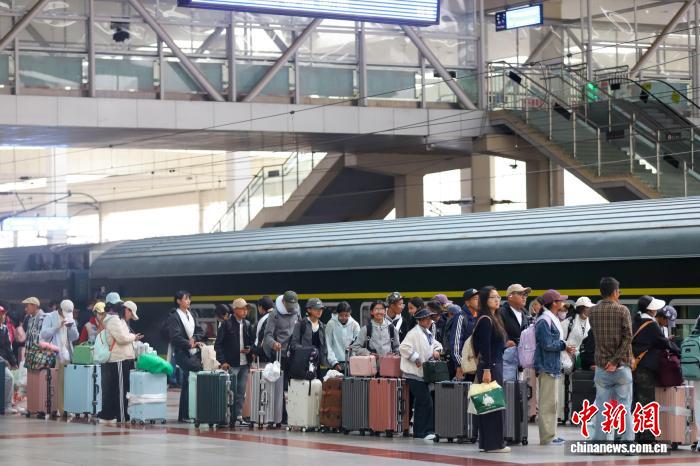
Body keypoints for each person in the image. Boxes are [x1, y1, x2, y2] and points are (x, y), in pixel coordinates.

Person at [588, 277, 634, 443]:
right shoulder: (623, 310)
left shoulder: (592, 311)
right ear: (615, 292)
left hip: (601, 367)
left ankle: (599, 441)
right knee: (624, 405)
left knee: (601, 406)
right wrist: (614, 361)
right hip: (621, 367)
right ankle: (627, 442)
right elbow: (628, 337)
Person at [631, 296, 678, 443]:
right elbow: (663, 342)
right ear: (650, 310)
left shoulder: (636, 322)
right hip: (646, 369)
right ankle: (647, 437)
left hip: (635, 367)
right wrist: (678, 351)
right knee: (647, 403)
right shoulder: (650, 324)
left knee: (637, 402)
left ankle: (637, 434)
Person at [471, 286, 510, 453]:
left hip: (492, 365)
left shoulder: (495, 318)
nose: (497, 300)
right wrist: (487, 370)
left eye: (498, 297)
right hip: (491, 367)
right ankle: (494, 444)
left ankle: (486, 443)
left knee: (488, 406)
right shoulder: (486, 320)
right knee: (493, 406)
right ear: (485, 300)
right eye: (493, 297)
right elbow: (485, 347)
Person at [535, 289, 574, 446]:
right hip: (547, 366)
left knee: (552, 403)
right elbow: (547, 344)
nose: (563, 303)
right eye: (560, 300)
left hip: (552, 366)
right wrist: (563, 345)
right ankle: (547, 437)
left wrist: (563, 346)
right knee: (547, 404)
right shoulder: (544, 320)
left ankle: (551, 434)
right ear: (554, 303)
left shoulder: (550, 318)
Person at [399, 307, 442, 441]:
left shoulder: (426, 333)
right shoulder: (413, 333)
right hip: (413, 373)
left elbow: (436, 344)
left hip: (421, 374)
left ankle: (420, 432)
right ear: (420, 320)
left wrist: (437, 350)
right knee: (426, 402)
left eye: (430, 318)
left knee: (421, 403)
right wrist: (415, 358)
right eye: (426, 319)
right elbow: (403, 347)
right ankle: (425, 431)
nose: (429, 321)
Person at [100, 300, 142, 424]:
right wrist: (133, 337)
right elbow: (122, 339)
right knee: (121, 389)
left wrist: (132, 338)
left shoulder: (121, 320)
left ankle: (114, 414)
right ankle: (122, 416)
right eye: (131, 314)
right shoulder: (114, 320)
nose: (131, 317)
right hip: (118, 358)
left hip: (123, 358)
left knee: (119, 388)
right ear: (126, 310)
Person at [215, 298, 255, 428]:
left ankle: (238, 417)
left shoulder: (248, 324)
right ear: (235, 309)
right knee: (229, 392)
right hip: (231, 364)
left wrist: (250, 350)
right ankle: (226, 417)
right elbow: (218, 345)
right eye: (242, 309)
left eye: (246, 309)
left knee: (241, 393)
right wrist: (223, 361)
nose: (245, 311)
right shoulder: (226, 324)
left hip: (244, 364)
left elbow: (252, 342)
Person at [167, 290, 206, 423]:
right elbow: (175, 337)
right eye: (186, 299)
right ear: (178, 301)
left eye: (189, 298)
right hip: (181, 353)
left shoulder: (192, 314)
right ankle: (187, 413)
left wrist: (194, 338)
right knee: (195, 372)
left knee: (187, 381)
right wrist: (189, 344)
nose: (189, 301)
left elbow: (200, 331)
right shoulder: (174, 317)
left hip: (193, 352)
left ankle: (185, 414)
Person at [40, 299, 79, 417]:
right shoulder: (50, 317)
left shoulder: (70, 318)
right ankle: (56, 408)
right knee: (55, 383)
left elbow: (75, 337)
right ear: (60, 309)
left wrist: (71, 327)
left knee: (66, 383)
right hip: (53, 355)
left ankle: (64, 409)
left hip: (66, 355)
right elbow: (43, 334)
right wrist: (57, 326)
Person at [290, 298, 329, 379]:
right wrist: (308, 351)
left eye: (321, 309)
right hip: (303, 366)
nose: (319, 311)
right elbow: (294, 344)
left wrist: (326, 363)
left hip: (318, 367)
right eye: (316, 309)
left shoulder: (323, 326)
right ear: (309, 310)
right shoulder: (300, 324)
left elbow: (325, 347)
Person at [499, 284, 531, 381]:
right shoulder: (500, 312)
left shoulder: (526, 314)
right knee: (507, 388)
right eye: (520, 294)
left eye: (525, 294)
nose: (524, 297)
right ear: (510, 296)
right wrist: (505, 343)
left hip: (523, 360)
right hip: (506, 360)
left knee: (522, 389)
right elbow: (496, 333)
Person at [447, 290, 477, 381]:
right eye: (475, 299)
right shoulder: (461, 317)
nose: (479, 301)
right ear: (468, 303)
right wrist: (460, 365)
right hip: (465, 366)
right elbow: (456, 343)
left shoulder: (479, 316)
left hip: (477, 364)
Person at [325, 301, 360, 372]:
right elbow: (328, 345)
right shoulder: (331, 324)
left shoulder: (355, 325)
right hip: (334, 364)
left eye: (346, 315)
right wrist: (334, 363)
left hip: (351, 364)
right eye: (341, 315)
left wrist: (353, 360)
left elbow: (358, 344)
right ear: (337, 313)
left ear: (350, 313)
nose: (344, 318)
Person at [22, 297, 47, 372]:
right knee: (31, 377)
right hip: (30, 356)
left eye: (27, 306)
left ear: (35, 306)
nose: (25, 309)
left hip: (38, 357)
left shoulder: (43, 318)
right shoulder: (30, 318)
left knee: (38, 377)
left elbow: (41, 339)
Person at [1, 306, 18, 414]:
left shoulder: (4, 328)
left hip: (3, 361)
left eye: (4, 314)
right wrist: (3, 360)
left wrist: (13, 362)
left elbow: (8, 347)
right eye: (1, 314)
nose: (3, 316)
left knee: (10, 378)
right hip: (1, 360)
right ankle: (6, 405)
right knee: (8, 378)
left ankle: (7, 405)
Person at [254, 296, 274, 364]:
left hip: (265, 356)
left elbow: (260, 338)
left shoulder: (263, 319)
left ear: (261, 307)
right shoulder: (277, 316)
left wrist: (255, 351)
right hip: (278, 353)